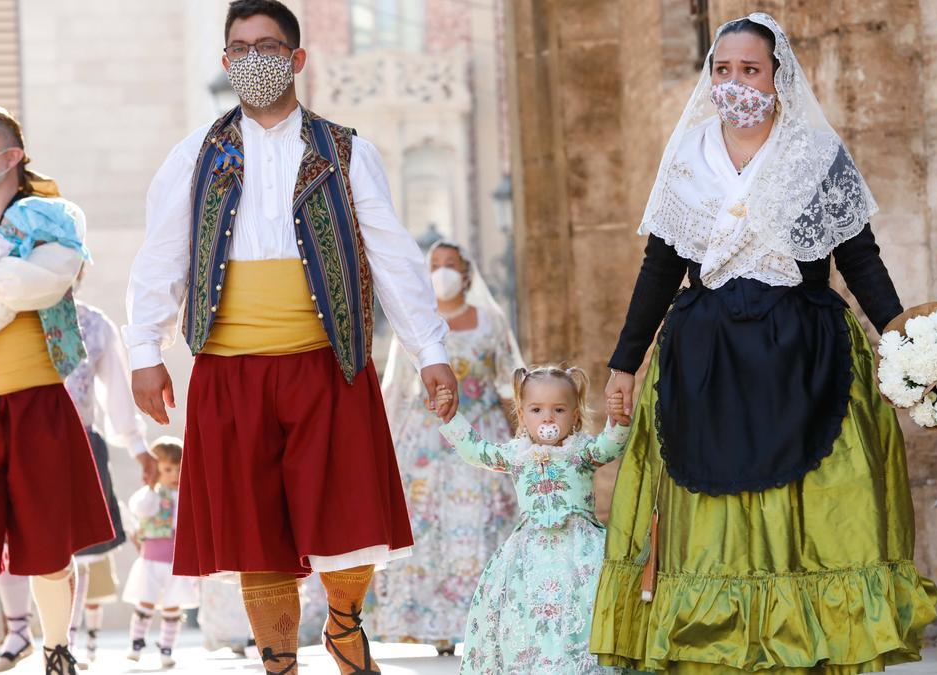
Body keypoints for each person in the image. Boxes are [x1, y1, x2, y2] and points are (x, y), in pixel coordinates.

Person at [591, 14, 937, 673]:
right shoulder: (688, 158)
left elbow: (860, 259)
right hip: (706, 361)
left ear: (779, 76)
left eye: (749, 70)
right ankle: (720, 645)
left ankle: (807, 640)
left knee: (807, 502)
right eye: (722, 70)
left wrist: (905, 339)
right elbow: (660, 266)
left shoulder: (815, 154)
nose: (734, 84)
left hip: (803, 355)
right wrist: (624, 362)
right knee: (717, 507)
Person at [124, 2, 458, 673]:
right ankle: (280, 662)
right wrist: (143, 351)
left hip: (328, 360)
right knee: (258, 534)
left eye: (268, 46)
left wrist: (431, 351)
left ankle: (342, 623)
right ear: (224, 62)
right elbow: (162, 256)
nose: (253, 60)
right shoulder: (194, 155)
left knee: (349, 518)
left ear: (297, 59)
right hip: (229, 367)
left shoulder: (347, 150)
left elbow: (391, 254)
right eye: (239, 48)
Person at [0, 105, 114, 675]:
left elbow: (41, 284)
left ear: (11, 156)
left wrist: (8, 275)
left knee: (46, 542)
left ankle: (57, 647)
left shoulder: (53, 217)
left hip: (35, 400)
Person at [367, 241, 521, 653]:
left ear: (467, 274)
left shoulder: (490, 321)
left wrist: (521, 439)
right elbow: (398, 389)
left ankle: (489, 618)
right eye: (434, 265)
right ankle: (435, 626)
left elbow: (510, 383)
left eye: (450, 265)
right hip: (427, 444)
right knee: (429, 527)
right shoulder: (415, 327)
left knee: (488, 524)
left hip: (482, 436)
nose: (442, 272)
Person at [431, 367, 630, 673]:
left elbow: (610, 445)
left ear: (575, 416)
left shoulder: (582, 453)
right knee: (528, 611)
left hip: (581, 553)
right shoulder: (516, 455)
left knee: (580, 608)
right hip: (529, 555)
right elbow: (477, 452)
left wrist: (617, 421)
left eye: (559, 410)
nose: (548, 418)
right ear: (522, 416)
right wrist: (450, 419)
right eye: (537, 410)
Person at [63, 298, 154, 664]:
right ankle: (20, 629)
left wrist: (139, 448)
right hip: (20, 437)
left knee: (80, 553)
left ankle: (64, 640)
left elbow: (116, 394)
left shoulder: (94, 324)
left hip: (81, 442)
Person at [121, 438, 198, 669]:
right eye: (167, 469)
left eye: (178, 469)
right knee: (146, 601)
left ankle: (167, 648)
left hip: (177, 561)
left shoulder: (186, 495)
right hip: (152, 559)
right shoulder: (152, 495)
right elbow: (140, 508)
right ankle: (136, 642)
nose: (174, 475)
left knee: (173, 605)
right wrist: (152, 486)